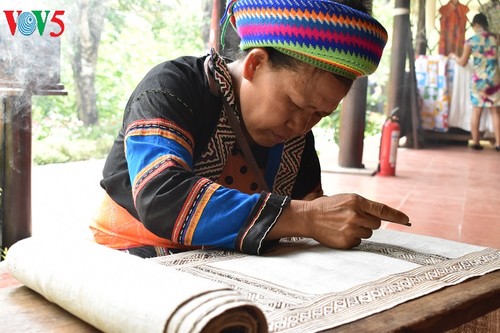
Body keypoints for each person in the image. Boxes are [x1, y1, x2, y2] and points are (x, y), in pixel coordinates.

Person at [90, 0, 410, 259]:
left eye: (319, 115)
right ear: (255, 63)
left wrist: (337, 219)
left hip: (225, 271)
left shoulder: (295, 139)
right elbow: (162, 197)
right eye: (296, 104)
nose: (301, 124)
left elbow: (309, 206)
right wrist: (307, 218)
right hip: (130, 260)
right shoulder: (172, 88)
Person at [450, 13, 500, 151]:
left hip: (479, 81)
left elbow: (463, 62)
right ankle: (498, 143)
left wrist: (454, 57)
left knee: (477, 111)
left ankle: (476, 142)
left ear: (475, 25)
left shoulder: (471, 41)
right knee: (495, 111)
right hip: (494, 79)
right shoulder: (496, 37)